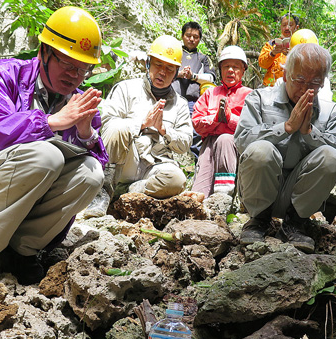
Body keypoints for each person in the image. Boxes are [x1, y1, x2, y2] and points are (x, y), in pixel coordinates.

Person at [0, 6, 108, 284]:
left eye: (83, 69)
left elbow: (96, 168)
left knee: (91, 173)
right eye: (67, 64)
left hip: (24, 197)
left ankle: (23, 250)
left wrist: (86, 133)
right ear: (43, 52)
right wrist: (50, 122)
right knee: (46, 155)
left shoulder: (78, 103)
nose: (75, 75)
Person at [235, 43, 336, 253]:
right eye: (300, 80)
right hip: (261, 189)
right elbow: (242, 140)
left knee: (331, 156)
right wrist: (286, 128)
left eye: (314, 82)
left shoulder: (329, 111)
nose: (306, 88)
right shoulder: (259, 99)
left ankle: (295, 223)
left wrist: (310, 133)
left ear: (323, 83)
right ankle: (259, 219)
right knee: (260, 149)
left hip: (301, 196)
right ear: (286, 75)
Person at [83, 35, 193, 217]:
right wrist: (142, 124)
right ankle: (103, 192)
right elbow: (106, 124)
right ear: (148, 63)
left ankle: (126, 192)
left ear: (176, 73)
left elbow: (185, 144)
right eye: (158, 65)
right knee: (118, 127)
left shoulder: (180, 104)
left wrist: (164, 131)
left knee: (177, 179)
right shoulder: (126, 89)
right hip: (124, 161)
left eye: (169, 68)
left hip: (155, 166)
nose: (162, 72)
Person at [188, 46, 252, 198]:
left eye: (235, 67)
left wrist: (231, 119)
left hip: (237, 145)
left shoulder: (250, 95)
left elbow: (253, 128)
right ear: (220, 70)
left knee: (225, 139)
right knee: (198, 193)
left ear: (243, 71)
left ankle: (223, 195)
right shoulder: (210, 93)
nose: (230, 70)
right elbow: (197, 123)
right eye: (226, 66)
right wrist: (215, 119)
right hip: (209, 145)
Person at [171, 21, 217, 156]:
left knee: (195, 133)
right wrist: (178, 74)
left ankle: (197, 163)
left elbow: (211, 78)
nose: (191, 39)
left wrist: (194, 76)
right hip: (171, 97)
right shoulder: (175, 52)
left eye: (195, 37)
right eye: (188, 35)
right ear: (182, 36)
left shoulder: (203, 58)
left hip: (193, 102)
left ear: (199, 39)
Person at [274, 29, 332, 102]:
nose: (304, 90)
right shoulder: (281, 83)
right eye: (299, 81)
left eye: (313, 83)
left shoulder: (323, 83)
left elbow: (324, 104)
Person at [258, 13, 299, 87]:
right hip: (271, 87)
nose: (287, 28)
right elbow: (262, 64)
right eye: (284, 25)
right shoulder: (271, 44)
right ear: (280, 27)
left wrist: (292, 55)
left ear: (296, 27)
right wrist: (272, 53)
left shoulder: (301, 45)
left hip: (293, 87)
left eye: (290, 25)